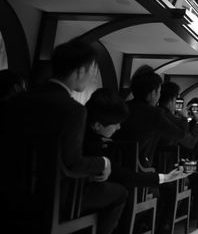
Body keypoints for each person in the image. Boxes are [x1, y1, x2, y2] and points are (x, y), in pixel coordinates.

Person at [1, 40, 126, 234]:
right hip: (48, 200)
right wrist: (103, 163)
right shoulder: (73, 110)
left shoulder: (15, 101)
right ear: (80, 71)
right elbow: (72, 164)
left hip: (9, 193)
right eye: (92, 70)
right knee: (119, 193)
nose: (92, 76)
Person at [83, 88, 190, 233]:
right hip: (77, 195)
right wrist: (166, 177)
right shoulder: (93, 145)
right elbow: (123, 176)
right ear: (97, 125)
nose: (119, 127)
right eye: (115, 123)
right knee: (121, 193)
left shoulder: (91, 136)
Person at [113, 69, 184, 166]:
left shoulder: (123, 106)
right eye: (159, 92)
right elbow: (180, 134)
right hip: (139, 165)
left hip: (114, 160)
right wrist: (184, 118)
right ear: (153, 93)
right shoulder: (154, 113)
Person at [156, 82, 198, 149]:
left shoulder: (153, 112)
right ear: (173, 99)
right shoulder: (176, 121)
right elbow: (190, 143)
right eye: (177, 99)